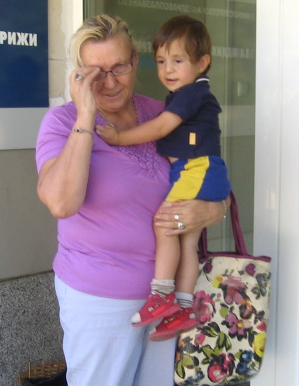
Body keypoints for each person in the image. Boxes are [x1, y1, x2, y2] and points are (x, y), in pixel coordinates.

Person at [36, 14, 228, 386]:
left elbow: (207, 178)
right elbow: (61, 203)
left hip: (167, 301)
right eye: (96, 71)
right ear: (80, 74)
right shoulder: (62, 124)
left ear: (135, 62)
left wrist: (212, 210)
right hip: (101, 299)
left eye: (119, 67)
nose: (109, 82)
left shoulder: (163, 113)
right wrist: (86, 117)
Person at [97, 15, 231, 341]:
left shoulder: (190, 94)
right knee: (186, 241)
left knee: (164, 223)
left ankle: (160, 296)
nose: (168, 70)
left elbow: (159, 128)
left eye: (178, 60)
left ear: (203, 63)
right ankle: (184, 308)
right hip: (198, 171)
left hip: (194, 169)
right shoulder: (188, 94)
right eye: (160, 61)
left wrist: (117, 138)